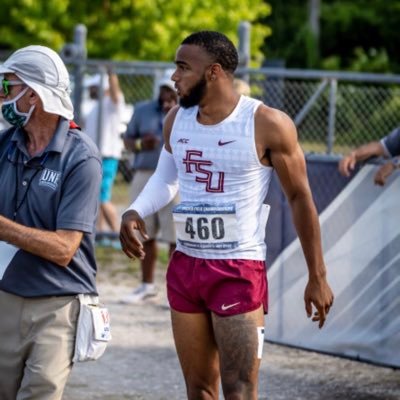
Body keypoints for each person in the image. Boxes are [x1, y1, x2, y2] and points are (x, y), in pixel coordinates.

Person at [120, 31, 334, 399]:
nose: (174, 77)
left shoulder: (267, 123)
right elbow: (167, 178)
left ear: (214, 72)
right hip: (186, 266)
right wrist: (135, 209)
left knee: (240, 389)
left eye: (183, 68)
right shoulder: (176, 120)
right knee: (199, 389)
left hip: (238, 269)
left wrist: (317, 275)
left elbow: (300, 197)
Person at [0, 45, 102, 399]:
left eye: (8, 87)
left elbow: (63, 248)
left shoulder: (82, 157)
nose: (2, 96)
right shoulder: (5, 144)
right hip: (5, 296)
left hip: (56, 304)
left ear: (34, 94)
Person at [121, 72, 179, 303]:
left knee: (176, 236)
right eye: (164, 88)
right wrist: (140, 144)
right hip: (145, 174)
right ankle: (146, 285)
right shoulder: (143, 110)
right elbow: (127, 140)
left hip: (175, 179)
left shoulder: (186, 113)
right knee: (145, 233)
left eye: (171, 89)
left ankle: (174, 291)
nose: (167, 93)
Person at [83, 70, 126, 246]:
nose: (91, 90)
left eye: (94, 87)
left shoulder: (112, 103)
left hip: (107, 156)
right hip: (95, 155)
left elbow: (116, 94)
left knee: (103, 197)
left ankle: (118, 235)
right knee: (96, 197)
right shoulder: (95, 106)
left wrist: (112, 75)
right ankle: (100, 233)